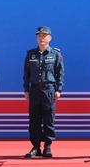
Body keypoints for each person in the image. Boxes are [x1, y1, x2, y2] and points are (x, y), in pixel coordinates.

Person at [24, 26, 64, 158]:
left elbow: (60, 73)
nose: (41, 38)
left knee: (48, 119)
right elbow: (26, 73)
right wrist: (26, 89)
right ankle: (36, 147)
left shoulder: (55, 54)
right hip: (35, 90)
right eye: (39, 36)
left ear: (50, 38)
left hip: (49, 90)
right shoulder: (31, 54)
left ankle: (47, 146)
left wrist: (59, 89)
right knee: (34, 119)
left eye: (44, 36)